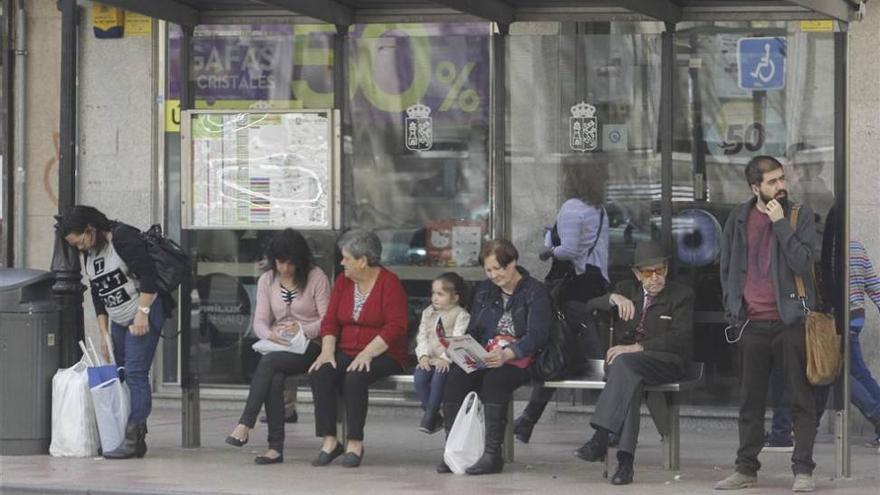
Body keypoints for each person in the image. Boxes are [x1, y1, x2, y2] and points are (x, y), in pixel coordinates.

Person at [715, 156, 819, 492]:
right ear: (755, 187)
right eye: (772, 181)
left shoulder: (797, 215)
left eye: (782, 179)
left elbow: (803, 262)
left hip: (790, 322)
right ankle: (745, 469)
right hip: (751, 324)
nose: (781, 186)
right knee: (750, 401)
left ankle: (803, 470)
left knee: (800, 399)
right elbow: (727, 267)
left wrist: (780, 225)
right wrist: (733, 308)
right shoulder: (739, 218)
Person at [573, 241, 694, 485]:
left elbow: (679, 338)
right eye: (648, 273)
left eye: (659, 271)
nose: (654, 278)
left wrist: (639, 347)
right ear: (637, 274)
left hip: (665, 362)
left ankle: (601, 437)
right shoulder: (625, 289)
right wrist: (612, 298)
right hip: (627, 366)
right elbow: (588, 307)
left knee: (626, 365)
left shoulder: (682, 295)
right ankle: (625, 464)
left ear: (667, 270)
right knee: (629, 376)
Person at [57, 205, 172, 460]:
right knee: (121, 373)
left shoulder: (122, 237)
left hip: (142, 309)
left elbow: (148, 275)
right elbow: (98, 292)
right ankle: (124, 433)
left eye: (80, 241)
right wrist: (103, 333)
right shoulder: (90, 252)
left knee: (135, 373)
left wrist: (142, 313)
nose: (80, 248)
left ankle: (134, 436)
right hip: (118, 318)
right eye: (75, 246)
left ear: (90, 229)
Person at [514, 160, 610, 443]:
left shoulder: (571, 208)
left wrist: (548, 250)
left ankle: (611, 424)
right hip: (594, 285)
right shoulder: (598, 209)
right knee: (572, 356)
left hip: (571, 291)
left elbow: (567, 250)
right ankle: (527, 421)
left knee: (557, 353)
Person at [437, 239, 552, 475]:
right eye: (488, 270)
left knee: (495, 381)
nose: (493, 275)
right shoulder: (485, 290)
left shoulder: (535, 291)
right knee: (456, 377)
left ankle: (492, 455)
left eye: (498, 268)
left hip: (522, 357)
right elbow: (476, 329)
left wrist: (508, 353)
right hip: (488, 353)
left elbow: (538, 336)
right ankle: (453, 449)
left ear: (513, 263)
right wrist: (462, 347)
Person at [224, 229, 330, 464]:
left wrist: (301, 331)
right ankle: (274, 448)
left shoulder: (316, 277)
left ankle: (245, 424)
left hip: (311, 344)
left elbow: (327, 320)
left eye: (290, 263)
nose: (284, 269)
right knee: (273, 375)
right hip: (279, 344)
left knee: (268, 364)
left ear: (300, 261)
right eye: (280, 263)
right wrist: (270, 334)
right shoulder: (267, 279)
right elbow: (260, 320)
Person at [766, 239, 880, 450]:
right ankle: (806, 428)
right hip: (854, 318)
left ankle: (876, 416)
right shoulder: (856, 247)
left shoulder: (820, 251)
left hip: (831, 322)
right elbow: (873, 284)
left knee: (836, 375)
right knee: (857, 374)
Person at [307, 229, 409, 468]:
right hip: (346, 349)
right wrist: (327, 351)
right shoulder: (343, 281)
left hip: (384, 352)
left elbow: (396, 326)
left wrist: (367, 353)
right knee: (321, 372)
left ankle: (355, 442)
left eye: (347, 258)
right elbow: (330, 320)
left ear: (363, 261)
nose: (342, 263)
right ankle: (330, 440)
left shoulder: (389, 283)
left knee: (355, 377)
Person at [413, 272, 470, 434]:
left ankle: (430, 415)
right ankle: (435, 416)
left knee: (439, 376)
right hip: (430, 358)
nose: (435, 298)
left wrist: (446, 358)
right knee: (420, 379)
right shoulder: (428, 312)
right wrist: (423, 355)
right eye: (433, 293)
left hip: (449, 360)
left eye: (440, 294)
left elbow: (458, 338)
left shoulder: (461, 315)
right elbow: (422, 335)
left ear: (455, 297)